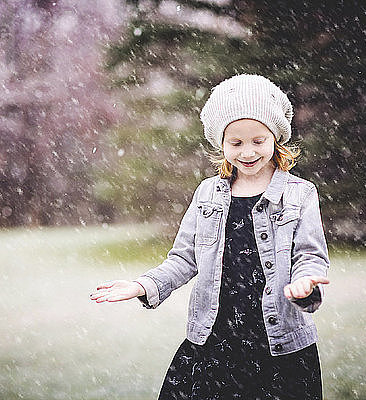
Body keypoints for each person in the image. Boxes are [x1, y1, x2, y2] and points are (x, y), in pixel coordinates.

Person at [90, 74, 330, 400]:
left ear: (276, 139)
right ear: (221, 143)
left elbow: (309, 255)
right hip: (214, 348)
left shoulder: (300, 194)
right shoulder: (208, 195)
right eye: (236, 142)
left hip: (280, 351)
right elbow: (183, 258)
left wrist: (305, 283)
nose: (247, 152)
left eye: (258, 141)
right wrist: (143, 285)